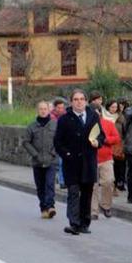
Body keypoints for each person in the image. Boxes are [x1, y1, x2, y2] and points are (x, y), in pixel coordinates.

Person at [54, 89, 105, 235]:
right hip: (72, 162)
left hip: (88, 161)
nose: (79, 102)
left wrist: (98, 142)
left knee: (87, 194)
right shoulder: (64, 119)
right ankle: (74, 223)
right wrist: (67, 154)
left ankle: (84, 223)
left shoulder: (93, 116)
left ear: (86, 101)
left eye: (82, 99)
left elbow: (101, 135)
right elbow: (58, 142)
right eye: (76, 99)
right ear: (71, 102)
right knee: (74, 192)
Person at [22, 101, 58, 219]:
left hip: (51, 160)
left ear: (49, 110)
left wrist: (53, 153)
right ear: (38, 110)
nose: (43, 111)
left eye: (45, 109)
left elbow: (60, 140)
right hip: (37, 161)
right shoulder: (32, 126)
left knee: (49, 184)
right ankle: (43, 208)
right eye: (41, 109)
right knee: (40, 186)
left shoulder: (55, 125)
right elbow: (26, 142)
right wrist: (35, 154)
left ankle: (51, 206)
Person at [91, 110, 121, 219]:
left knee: (108, 181)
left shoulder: (108, 124)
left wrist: (105, 139)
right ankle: (94, 211)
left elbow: (117, 138)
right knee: (92, 185)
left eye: (97, 113)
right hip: (91, 159)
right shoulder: (86, 124)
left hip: (106, 158)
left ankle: (106, 205)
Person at [110, 100, 128, 192]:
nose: (114, 109)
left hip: (119, 143)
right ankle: (113, 185)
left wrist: (124, 143)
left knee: (120, 164)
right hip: (109, 144)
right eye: (112, 107)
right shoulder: (106, 117)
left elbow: (125, 131)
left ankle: (119, 182)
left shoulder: (122, 117)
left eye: (115, 107)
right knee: (111, 165)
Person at [50, 97, 67, 189]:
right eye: (59, 108)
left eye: (62, 108)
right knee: (56, 163)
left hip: (63, 143)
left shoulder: (66, 116)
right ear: (55, 108)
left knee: (62, 162)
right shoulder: (51, 117)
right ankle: (60, 179)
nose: (61, 110)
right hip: (52, 143)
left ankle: (62, 181)